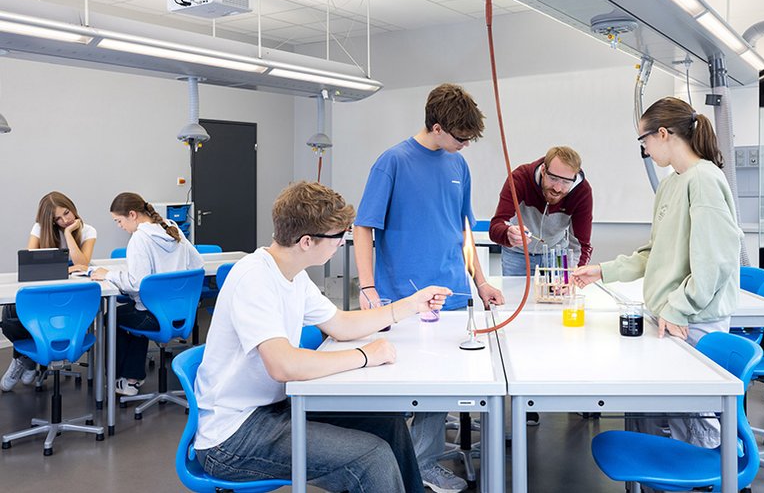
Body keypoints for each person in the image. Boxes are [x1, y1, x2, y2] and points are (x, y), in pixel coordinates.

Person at [194, 181, 449, 493]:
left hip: (274, 408)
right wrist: (367, 356)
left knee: (389, 426)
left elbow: (340, 324)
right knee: (373, 457)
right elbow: (283, 366)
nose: (343, 243)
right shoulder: (254, 279)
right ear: (306, 241)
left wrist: (409, 306)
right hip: (233, 435)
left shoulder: (292, 274)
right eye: (338, 236)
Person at [572, 97, 742, 472]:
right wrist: (603, 271)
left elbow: (714, 263)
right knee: (653, 411)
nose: (645, 149)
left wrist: (678, 308)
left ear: (663, 134)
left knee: (693, 424)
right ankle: (653, 479)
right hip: (667, 316)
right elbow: (654, 253)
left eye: (644, 140)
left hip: (693, 320)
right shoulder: (671, 185)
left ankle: (703, 480)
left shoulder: (705, 180)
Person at [354, 83, 505, 493]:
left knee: (441, 387)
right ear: (437, 128)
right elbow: (363, 226)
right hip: (402, 298)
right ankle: (391, 465)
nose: (466, 144)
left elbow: (464, 231)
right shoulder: (393, 162)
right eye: (461, 137)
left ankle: (422, 464)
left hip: (453, 295)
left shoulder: (458, 166)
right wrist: (367, 287)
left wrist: (481, 280)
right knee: (406, 386)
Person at [90, 192, 203, 396]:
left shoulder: (139, 239)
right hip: (181, 314)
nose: (119, 226)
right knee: (133, 311)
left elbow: (136, 284)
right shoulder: (172, 228)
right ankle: (131, 378)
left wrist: (109, 274)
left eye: (119, 221)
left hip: (153, 317)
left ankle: (122, 378)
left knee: (111, 318)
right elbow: (197, 264)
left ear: (132, 214)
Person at [1, 191, 97, 392]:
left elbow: (82, 263)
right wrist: (68, 269)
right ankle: (25, 359)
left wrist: (70, 234)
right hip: (45, 292)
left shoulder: (88, 231)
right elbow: (30, 265)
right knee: (9, 314)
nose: (64, 220)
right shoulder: (39, 229)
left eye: (66, 213)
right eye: (58, 219)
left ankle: (27, 360)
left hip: (73, 297)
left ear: (72, 206)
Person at [489, 146, 593, 276]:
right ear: (543, 170)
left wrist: (575, 273)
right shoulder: (520, 179)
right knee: (516, 296)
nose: (557, 188)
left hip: (556, 255)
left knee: (559, 295)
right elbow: (496, 227)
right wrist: (507, 234)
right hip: (517, 254)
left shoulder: (582, 192)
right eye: (553, 178)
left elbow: (581, 244)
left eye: (566, 182)